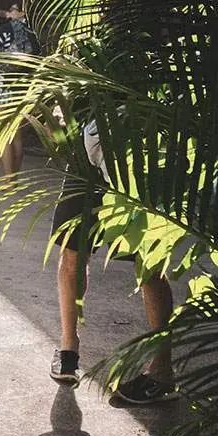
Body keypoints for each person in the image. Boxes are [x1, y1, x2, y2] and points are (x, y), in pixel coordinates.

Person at [49, 118, 176, 405]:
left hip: (137, 148)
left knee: (149, 261)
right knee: (72, 249)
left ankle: (161, 371)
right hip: (87, 145)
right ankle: (68, 351)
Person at [0, 3, 41, 175]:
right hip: (23, 88)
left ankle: (8, 181)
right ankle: (14, 178)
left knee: (2, 135)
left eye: (11, 11)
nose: (7, 14)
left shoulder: (7, 29)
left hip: (2, 86)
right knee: (16, 136)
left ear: (21, 13)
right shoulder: (33, 35)